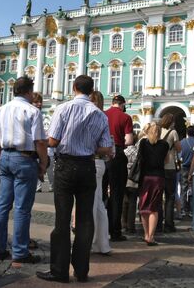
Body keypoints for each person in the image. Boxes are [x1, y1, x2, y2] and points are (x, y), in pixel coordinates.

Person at [37, 75, 113, 283]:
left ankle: (59, 270)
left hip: (65, 166)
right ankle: (81, 270)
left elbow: (53, 140)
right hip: (87, 166)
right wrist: (89, 147)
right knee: (85, 220)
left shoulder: (63, 108)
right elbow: (106, 148)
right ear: (91, 90)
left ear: (74, 87)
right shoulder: (100, 115)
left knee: (62, 220)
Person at [0, 76, 47, 265]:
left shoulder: (2, 109)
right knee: (22, 208)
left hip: (6, 157)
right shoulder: (32, 111)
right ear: (29, 92)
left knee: (2, 205)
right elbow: (39, 142)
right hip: (24, 158)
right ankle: (20, 251)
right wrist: (43, 164)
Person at [105, 95, 133, 242]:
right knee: (117, 195)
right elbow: (129, 140)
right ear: (122, 104)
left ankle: (101, 228)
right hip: (117, 154)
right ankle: (115, 231)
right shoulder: (125, 117)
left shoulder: (103, 114)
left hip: (102, 153)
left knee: (102, 194)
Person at [135, 123, 167, 246]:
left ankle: (146, 234)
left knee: (143, 207)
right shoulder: (164, 144)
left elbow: (140, 158)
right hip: (158, 177)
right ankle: (151, 237)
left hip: (145, 177)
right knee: (154, 208)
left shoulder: (143, 143)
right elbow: (166, 160)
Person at [89, 91, 111, 255]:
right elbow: (109, 149)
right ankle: (102, 243)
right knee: (99, 205)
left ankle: (94, 242)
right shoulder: (104, 117)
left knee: (91, 205)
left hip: (91, 162)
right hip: (100, 163)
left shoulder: (91, 117)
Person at [158, 113, 181, 233]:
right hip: (170, 166)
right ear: (172, 122)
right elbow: (179, 148)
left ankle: (157, 224)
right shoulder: (173, 132)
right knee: (170, 197)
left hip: (158, 167)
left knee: (158, 196)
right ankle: (168, 224)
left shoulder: (157, 131)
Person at [32, 93, 54, 193]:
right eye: (36, 102)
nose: (39, 104)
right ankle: (37, 186)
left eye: (40, 102)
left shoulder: (45, 117)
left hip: (48, 148)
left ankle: (52, 185)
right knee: (36, 167)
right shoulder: (32, 115)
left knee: (50, 170)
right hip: (37, 148)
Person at [179, 125, 194, 216]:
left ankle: (182, 209)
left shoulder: (182, 142)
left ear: (187, 132)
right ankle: (192, 210)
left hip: (184, 168)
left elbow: (179, 156)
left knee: (183, 189)